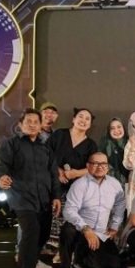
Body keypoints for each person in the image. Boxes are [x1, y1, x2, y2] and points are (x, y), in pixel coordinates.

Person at [0, 108, 61, 268]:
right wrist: (1, 177)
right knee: (31, 233)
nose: (32, 125)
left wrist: (56, 196)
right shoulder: (11, 144)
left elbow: (53, 174)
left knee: (44, 233)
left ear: (41, 126)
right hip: (21, 198)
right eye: (28, 121)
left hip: (44, 199)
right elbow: (2, 166)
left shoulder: (45, 148)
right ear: (20, 124)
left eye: (35, 122)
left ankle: (32, 258)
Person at [56, 152, 126, 268]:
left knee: (113, 265)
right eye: (95, 163)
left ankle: (81, 256)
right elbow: (69, 211)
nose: (100, 167)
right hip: (80, 230)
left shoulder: (114, 184)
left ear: (108, 167)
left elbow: (120, 204)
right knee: (67, 229)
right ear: (88, 166)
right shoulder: (79, 185)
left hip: (100, 233)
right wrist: (86, 229)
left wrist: (114, 226)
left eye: (104, 164)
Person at [46, 107, 98, 257]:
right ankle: (52, 248)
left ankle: (66, 252)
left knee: (70, 220)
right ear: (73, 119)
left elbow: (95, 168)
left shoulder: (91, 145)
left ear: (90, 125)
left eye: (87, 119)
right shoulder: (59, 135)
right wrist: (58, 171)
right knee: (52, 217)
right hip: (53, 185)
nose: (83, 120)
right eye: (80, 116)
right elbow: (45, 154)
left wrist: (76, 173)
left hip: (76, 189)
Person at [98, 117, 129, 190]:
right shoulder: (104, 145)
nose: (116, 130)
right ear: (109, 131)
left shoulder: (132, 143)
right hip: (109, 185)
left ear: (124, 128)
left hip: (130, 185)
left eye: (119, 127)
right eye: (112, 128)